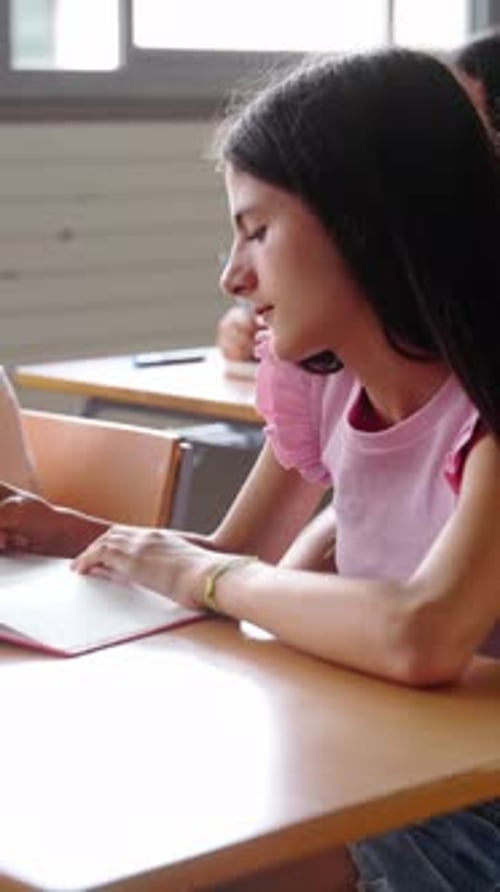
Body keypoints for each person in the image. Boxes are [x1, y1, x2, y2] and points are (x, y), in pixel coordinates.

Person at [67, 47, 500, 891]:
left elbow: (423, 635)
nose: (232, 276)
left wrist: (208, 574)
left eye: (258, 230)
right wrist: (76, 536)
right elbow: (233, 560)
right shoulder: (325, 386)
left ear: (366, 222)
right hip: (380, 757)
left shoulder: (485, 404)